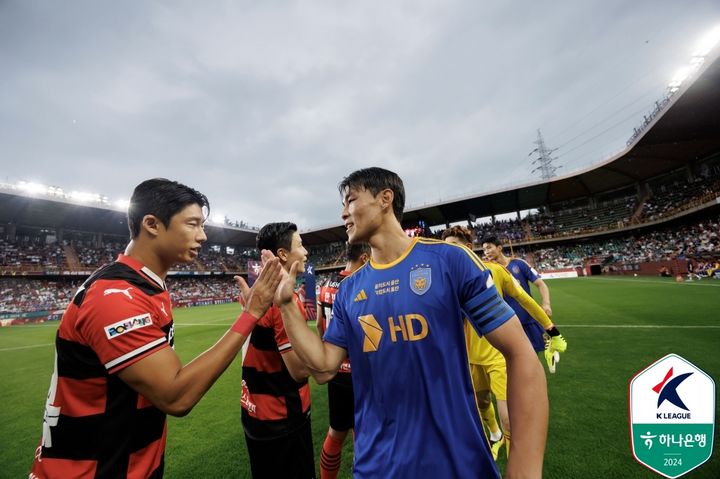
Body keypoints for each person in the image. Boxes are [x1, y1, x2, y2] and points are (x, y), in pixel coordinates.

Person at [275, 167, 548, 479]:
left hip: (457, 463)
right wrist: (286, 306)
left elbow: (520, 352)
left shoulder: (450, 261)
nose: (343, 214)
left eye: (349, 201)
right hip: (376, 467)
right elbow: (324, 368)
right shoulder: (349, 289)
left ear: (385, 199)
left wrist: (525, 468)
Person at [30, 178, 282, 479]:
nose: (202, 236)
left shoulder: (145, 286)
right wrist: (252, 313)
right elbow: (176, 395)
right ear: (152, 224)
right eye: (192, 224)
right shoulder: (114, 298)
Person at [442, 225, 566, 460]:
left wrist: (552, 330)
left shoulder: (495, 272)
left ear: (468, 248)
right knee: (481, 402)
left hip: (498, 355)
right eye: (446, 248)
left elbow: (525, 299)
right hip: (467, 359)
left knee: (509, 419)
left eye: (454, 247)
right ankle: (494, 434)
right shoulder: (443, 282)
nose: (449, 253)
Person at [237, 222, 315, 479]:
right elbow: (299, 371)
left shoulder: (259, 293)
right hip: (283, 418)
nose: (305, 252)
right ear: (283, 255)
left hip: (254, 413)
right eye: (300, 245)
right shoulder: (284, 300)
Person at [316, 242, 370, 479]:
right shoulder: (360, 283)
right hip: (360, 369)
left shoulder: (326, 284)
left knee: (335, 432)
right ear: (365, 257)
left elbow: (319, 324)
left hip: (335, 369)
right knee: (364, 431)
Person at [481, 236, 566, 371]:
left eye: (489, 247)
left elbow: (541, 284)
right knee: (515, 360)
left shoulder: (519, 264)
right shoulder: (487, 270)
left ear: (499, 248)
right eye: (484, 249)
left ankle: (548, 352)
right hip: (508, 322)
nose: (486, 252)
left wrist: (546, 303)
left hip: (528, 318)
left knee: (533, 357)